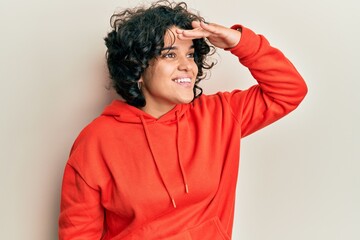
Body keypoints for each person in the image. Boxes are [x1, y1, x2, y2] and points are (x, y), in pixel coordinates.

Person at [58, 0, 307, 239]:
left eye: (190, 55)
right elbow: (78, 233)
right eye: (169, 55)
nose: (187, 65)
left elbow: (289, 91)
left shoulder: (220, 115)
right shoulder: (96, 141)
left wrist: (239, 42)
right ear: (137, 67)